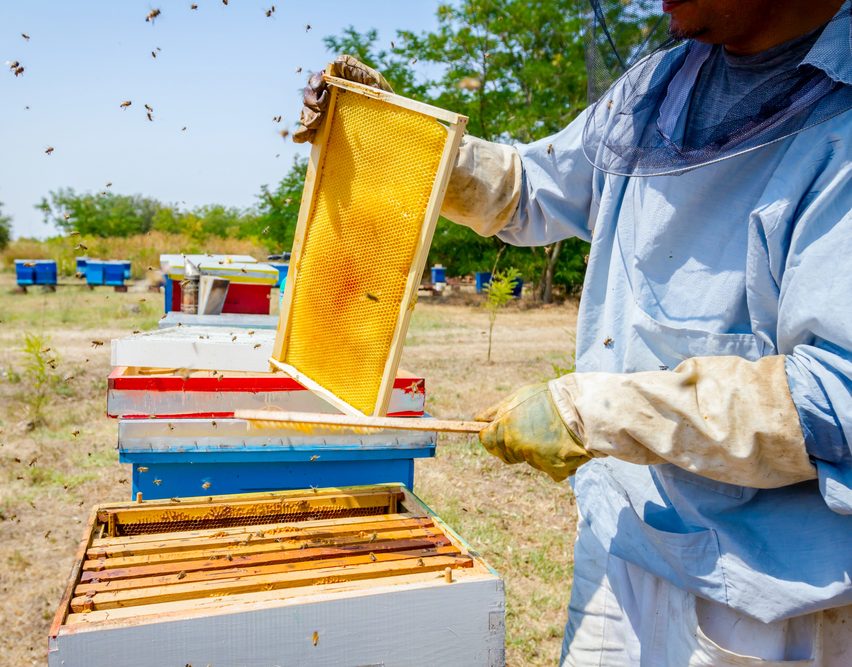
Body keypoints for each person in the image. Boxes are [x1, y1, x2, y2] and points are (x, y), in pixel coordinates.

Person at [294, 0, 852, 664]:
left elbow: (834, 394)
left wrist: (601, 410)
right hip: (620, 534)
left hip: (757, 592)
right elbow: (530, 189)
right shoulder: (656, 86)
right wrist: (401, 140)